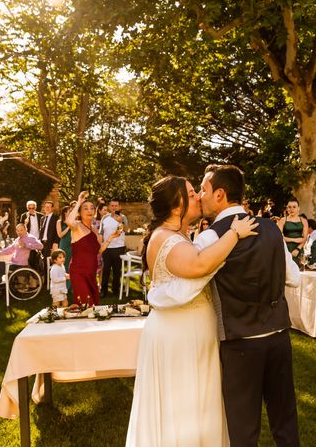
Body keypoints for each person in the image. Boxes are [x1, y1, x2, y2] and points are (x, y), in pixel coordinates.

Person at [126, 175, 258, 446]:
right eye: (191, 192)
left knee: (196, 402)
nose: (199, 195)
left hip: (189, 331)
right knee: (184, 402)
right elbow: (199, 265)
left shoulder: (176, 235)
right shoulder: (167, 239)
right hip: (180, 336)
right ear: (177, 207)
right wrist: (234, 233)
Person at [196, 164, 301, 446]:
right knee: (285, 421)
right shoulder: (271, 228)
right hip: (279, 337)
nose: (199, 196)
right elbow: (294, 278)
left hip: (239, 342)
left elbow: (195, 289)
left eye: (203, 189)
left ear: (220, 194)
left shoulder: (208, 238)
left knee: (243, 429)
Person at [67, 192, 100, 305]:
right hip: (79, 271)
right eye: (85, 208)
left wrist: (111, 237)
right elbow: (68, 221)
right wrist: (79, 202)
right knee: (86, 304)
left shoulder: (95, 229)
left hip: (91, 272)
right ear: (80, 212)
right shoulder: (77, 226)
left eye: (92, 208)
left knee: (94, 305)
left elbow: (98, 251)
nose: (89, 210)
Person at [99, 199, 127, 297]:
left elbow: (126, 230)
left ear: (119, 207)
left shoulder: (123, 217)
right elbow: (101, 232)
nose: (114, 207)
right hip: (107, 247)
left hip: (119, 247)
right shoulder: (105, 218)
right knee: (106, 269)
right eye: (112, 206)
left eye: (116, 206)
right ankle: (103, 290)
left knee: (117, 270)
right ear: (109, 207)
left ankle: (115, 289)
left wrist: (120, 222)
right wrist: (101, 244)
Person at [276, 198, 308, 264]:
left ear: (298, 208)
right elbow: (278, 236)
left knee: (299, 271)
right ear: (287, 208)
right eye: (289, 207)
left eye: (294, 207)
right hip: (285, 249)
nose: (291, 209)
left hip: (299, 249)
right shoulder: (282, 220)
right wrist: (295, 240)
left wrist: (298, 249)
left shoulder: (303, 221)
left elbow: (305, 238)